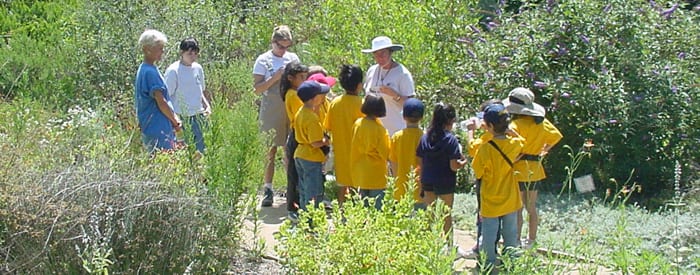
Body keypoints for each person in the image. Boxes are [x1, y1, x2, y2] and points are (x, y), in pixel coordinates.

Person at [503, 87, 563, 248]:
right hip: (535, 168)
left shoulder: (515, 124)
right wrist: (544, 150)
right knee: (531, 206)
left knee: (517, 208)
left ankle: (515, 240)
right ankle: (532, 240)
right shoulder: (542, 122)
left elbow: (513, 146)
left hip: (518, 169)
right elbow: (556, 136)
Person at [471, 103, 524, 270]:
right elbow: (522, 141)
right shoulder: (515, 145)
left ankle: (488, 266)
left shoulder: (484, 149)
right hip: (511, 199)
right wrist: (510, 132)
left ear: (490, 126)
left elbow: (477, 172)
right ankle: (512, 266)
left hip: (490, 200)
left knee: (488, 236)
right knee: (511, 235)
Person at [253, 25, 300, 207]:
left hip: (291, 108)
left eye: (287, 47)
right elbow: (257, 89)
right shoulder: (263, 60)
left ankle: (292, 188)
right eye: (281, 46)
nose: (284, 51)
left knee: (291, 150)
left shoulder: (293, 58)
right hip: (271, 109)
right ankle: (268, 189)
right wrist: (276, 77)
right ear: (273, 42)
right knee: (270, 151)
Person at [416, 103, 467, 243]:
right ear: (450, 121)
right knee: (446, 215)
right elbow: (453, 166)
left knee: (430, 214)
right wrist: (462, 163)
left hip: (427, 180)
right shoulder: (450, 140)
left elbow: (420, 161)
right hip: (445, 181)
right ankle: (449, 246)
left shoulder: (425, 137)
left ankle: (426, 245)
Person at [134, 29, 181, 154]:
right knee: (164, 162)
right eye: (159, 48)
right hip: (158, 127)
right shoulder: (149, 72)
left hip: (151, 126)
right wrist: (175, 121)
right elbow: (161, 102)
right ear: (147, 49)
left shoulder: (145, 69)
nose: (162, 51)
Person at [324, 65, 364, 205]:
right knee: (356, 186)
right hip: (358, 153)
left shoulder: (335, 103)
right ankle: (355, 214)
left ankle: (341, 213)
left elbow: (327, 126)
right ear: (360, 85)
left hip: (340, 150)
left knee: (342, 184)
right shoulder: (362, 104)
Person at [164, 38, 211, 157]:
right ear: (182, 53)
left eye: (195, 53)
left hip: (198, 115)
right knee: (183, 150)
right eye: (189, 53)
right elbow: (166, 96)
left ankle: (200, 173)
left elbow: (200, 90)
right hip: (181, 117)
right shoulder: (173, 71)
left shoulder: (198, 68)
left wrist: (207, 106)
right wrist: (173, 118)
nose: (193, 56)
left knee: (201, 150)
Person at [362, 36, 416, 136]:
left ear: (390, 52)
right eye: (376, 54)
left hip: (396, 132)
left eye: (383, 53)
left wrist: (395, 95)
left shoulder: (402, 74)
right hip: (374, 133)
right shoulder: (371, 71)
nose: (380, 57)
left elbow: (412, 106)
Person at [294, 80, 331, 211]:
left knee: (304, 189)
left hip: (299, 154)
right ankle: (311, 221)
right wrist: (326, 141)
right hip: (311, 158)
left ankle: (304, 217)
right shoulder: (312, 118)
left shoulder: (300, 112)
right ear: (315, 98)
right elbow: (315, 143)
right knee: (314, 192)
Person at [350, 94, 391, 210]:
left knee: (361, 207)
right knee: (376, 208)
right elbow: (386, 152)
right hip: (376, 174)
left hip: (359, 171)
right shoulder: (379, 129)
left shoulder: (358, 123)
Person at [281, 61, 309, 221]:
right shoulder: (293, 94)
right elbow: (302, 114)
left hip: (300, 134)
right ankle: (293, 206)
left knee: (298, 172)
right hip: (297, 135)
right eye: (301, 77)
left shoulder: (296, 92)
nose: (304, 80)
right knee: (294, 173)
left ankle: (298, 204)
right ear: (291, 78)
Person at [389, 98, 425, 208]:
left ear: (404, 116)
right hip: (420, 190)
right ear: (422, 117)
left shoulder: (397, 137)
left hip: (401, 189)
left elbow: (393, 163)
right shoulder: (425, 137)